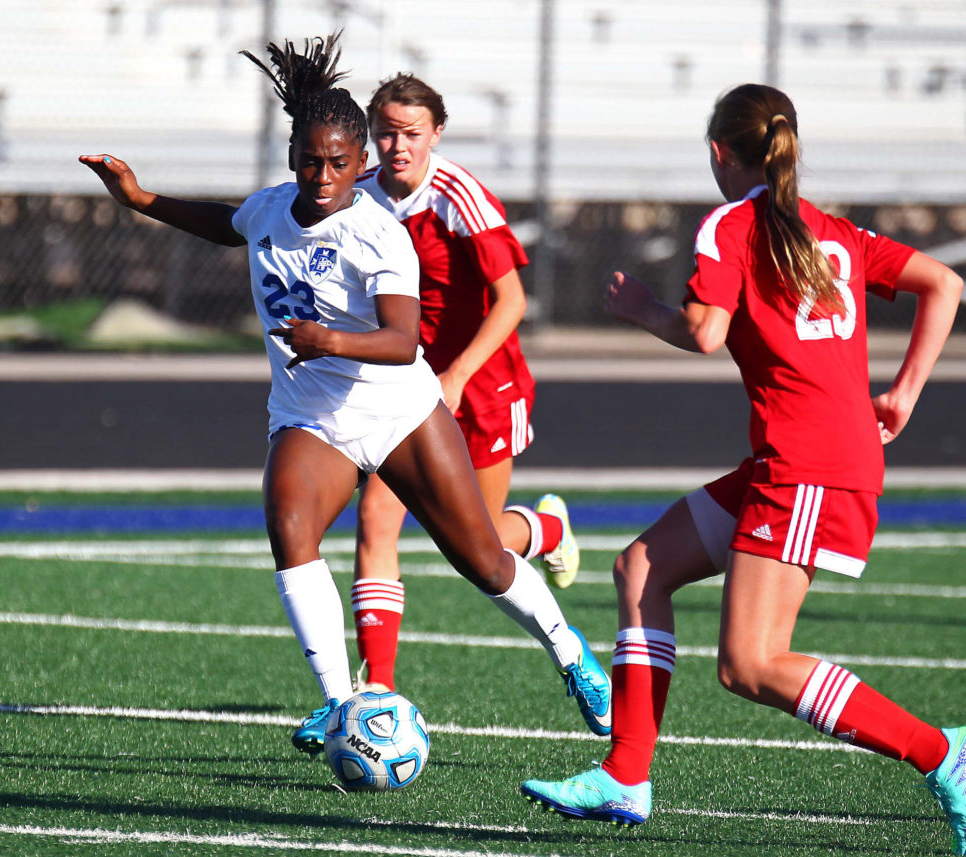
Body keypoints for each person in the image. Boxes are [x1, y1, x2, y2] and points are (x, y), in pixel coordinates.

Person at [79, 34, 610, 759]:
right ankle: (338, 702)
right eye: (309, 159)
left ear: (360, 164)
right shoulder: (271, 208)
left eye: (338, 162)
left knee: (481, 558)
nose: (322, 175)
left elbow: (400, 340)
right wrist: (140, 198)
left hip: (398, 411)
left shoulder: (379, 234)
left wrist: (328, 339)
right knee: (290, 526)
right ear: (293, 156)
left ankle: (570, 650)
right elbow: (226, 222)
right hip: (312, 417)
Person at [519, 83, 966, 856]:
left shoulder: (730, 224)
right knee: (641, 568)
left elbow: (705, 332)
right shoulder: (830, 229)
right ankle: (626, 774)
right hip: (800, 457)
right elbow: (947, 283)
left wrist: (640, 310)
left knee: (750, 662)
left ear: (718, 153)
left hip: (808, 466)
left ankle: (942, 750)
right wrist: (902, 394)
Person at [347, 73, 578, 695]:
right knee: (375, 518)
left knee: (477, 544)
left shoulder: (460, 196)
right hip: (404, 389)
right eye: (387, 133)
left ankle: (545, 529)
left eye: (412, 134)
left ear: (436, 134)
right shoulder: (359, 196)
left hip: (482, 384)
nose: (398, 146)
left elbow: (510, 302)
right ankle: (378, 692)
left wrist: (457, 372)